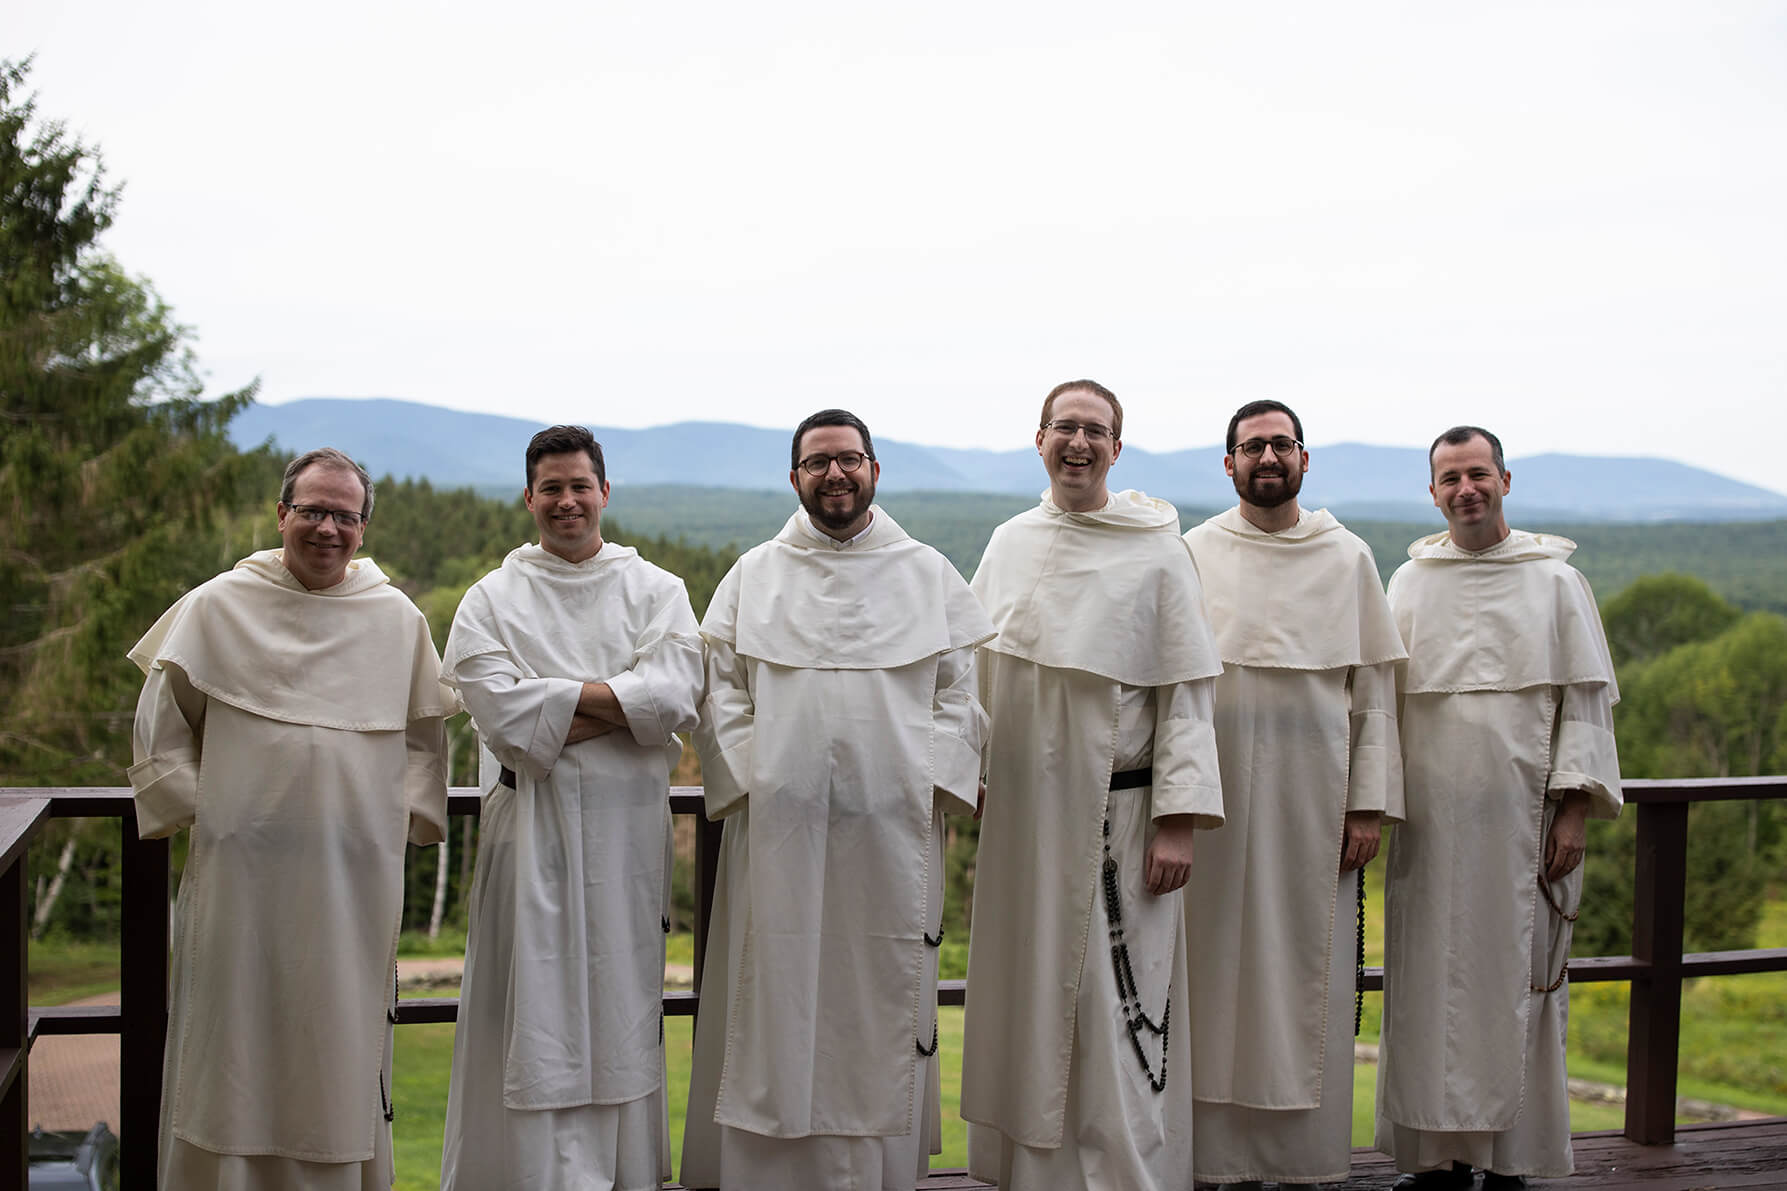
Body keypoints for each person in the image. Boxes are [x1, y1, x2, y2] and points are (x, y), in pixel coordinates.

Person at [680, 409, 995, 1191]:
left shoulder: (925, 572)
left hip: (892, 831)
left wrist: (921, 781)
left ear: (874, 471)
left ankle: (872, 1175)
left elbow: (962, 695)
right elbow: (721, 690)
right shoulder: (755, 573)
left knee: (874, 996)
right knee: (773, 989)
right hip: (778, 830)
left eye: (849, 459)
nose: (835, 474)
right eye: (818, 462)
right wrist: (764, 777)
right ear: (795, 478)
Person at [127, 447, 452, 1191]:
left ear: (364, 527)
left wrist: (391, 824)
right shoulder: (216, 606)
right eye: (312, 510)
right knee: (230, 1047)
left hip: (351, 884)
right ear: (281, 515)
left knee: (338, 1045)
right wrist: (217, 816)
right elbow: (159, 730)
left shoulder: (395, 620)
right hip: (239, 880)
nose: (328, 528)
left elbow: (423, 743)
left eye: (345, 514)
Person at [962, 379, 1225, 1190]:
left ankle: (1123, 1177)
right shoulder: (1010, 541)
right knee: (1032, 1001)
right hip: (1024, 818)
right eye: (1064, 427)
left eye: (1095, 430)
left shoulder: (1155, 548)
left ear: (1117, 446)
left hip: (1125, 812)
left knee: (1120, 1011)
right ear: (1037, 438)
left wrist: (1178, 818)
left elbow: (1185, 692)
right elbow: (973, 683)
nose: (1078, 442)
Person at [438, 425, 703, 1191]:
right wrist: (624, 701)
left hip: (625, 837)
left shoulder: (655, 590)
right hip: (528, 836)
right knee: (527, 1007)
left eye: (579, 485)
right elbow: (500, 718)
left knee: (620, 1005)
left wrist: (548, 704)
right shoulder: (491, 598)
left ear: (604, 492)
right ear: (528, 497)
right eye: (550, 487)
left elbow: (677, 693)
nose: (566, 501)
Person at [1375, 426, 1622, 1190]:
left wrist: (1574, 810)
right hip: (1428, 834)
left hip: (1526, 832)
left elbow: (1584, 705)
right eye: (1448, 478)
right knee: (1427, 993)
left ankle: (1510, 1159)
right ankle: (1436, 1160)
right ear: (1432, 491)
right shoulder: (1409, 584)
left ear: (1505, 481)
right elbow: (1379, 713)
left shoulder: (1553, 583)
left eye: (1476, 473)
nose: (1464, 489)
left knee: (1516, 992)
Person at [1182, 400, 1407, 1188]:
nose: (1267, 457)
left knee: (1302, 973)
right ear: (1228, 463)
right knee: (1208, 970)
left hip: (1316, 802)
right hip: (1211, 800)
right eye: (1252, 446)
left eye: (1281, 444)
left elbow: (1373, 691)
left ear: (1304, 460)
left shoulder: (1346, 557)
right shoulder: (1193, 552)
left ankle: (1298, 1162)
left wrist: (1366, 802)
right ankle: (1210, 1160)